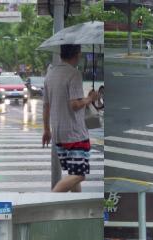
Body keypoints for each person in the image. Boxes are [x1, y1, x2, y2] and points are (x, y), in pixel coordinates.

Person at [42, 44, 98, 192]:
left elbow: (46, 106)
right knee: (79, 175)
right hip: (75, 134)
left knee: (73, 174)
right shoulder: (74, 74)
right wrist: (90, 98)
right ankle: (51, 198)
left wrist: (47, 130)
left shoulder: (50, 74)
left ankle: (76, 207)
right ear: (77, 54)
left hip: (59, 134)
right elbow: (75, 104)